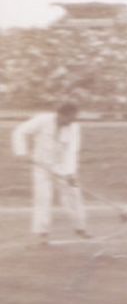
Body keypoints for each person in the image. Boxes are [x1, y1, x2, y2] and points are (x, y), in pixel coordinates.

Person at [12, 102, 90, 244]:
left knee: (73, 194)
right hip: (41, 165)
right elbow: (20, 131)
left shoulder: (74, 127)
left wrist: (70, 173)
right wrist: (21, 152)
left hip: (62, 166)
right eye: (70, 117)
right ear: (61, 115)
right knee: (43, 197)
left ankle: (80, 227)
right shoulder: (42, 120)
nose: (73, 121)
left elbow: (72, 151)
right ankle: (42, 232)